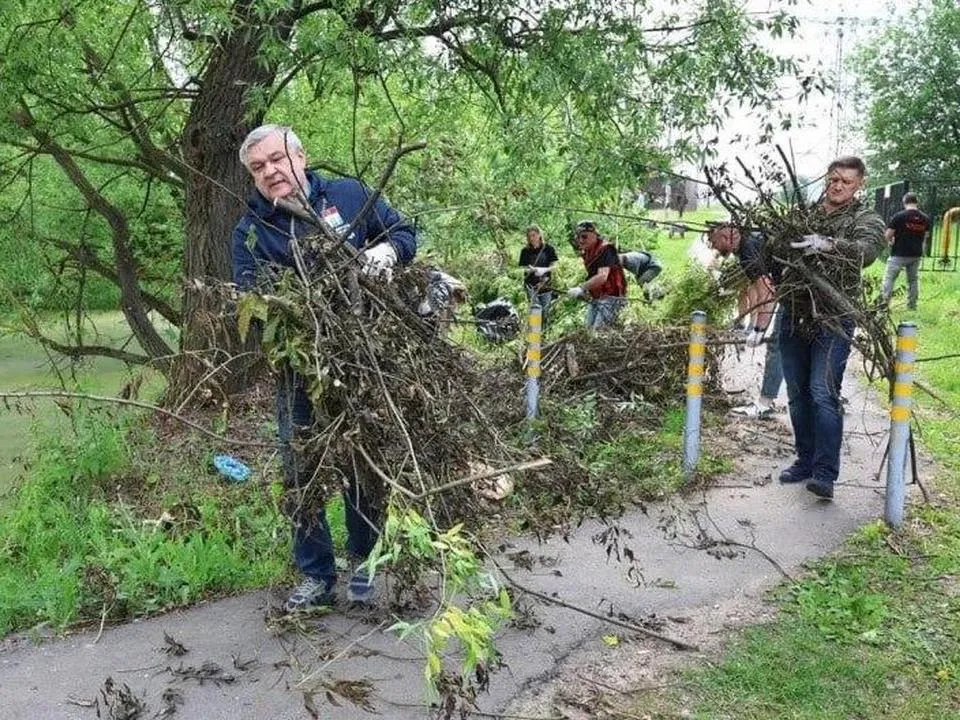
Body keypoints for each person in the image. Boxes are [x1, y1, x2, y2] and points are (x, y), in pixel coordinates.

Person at [232, 124, 417, 611]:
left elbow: (404, 232)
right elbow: (250, 298)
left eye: (277, 159)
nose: (270, 172)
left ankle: (364, 560)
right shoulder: (251, 231)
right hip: (299, 370)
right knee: (302, 470)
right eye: (258, 168)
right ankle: (315, 576)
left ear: (300, 156)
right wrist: (291, 313)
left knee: (361, 460)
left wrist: (386, 252)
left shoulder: (350, 195)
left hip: (364, 359)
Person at [778, 156, 885, 500]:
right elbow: (774, 248)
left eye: (847, 182)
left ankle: (825, 474)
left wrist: (827, 243)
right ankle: (805, 460)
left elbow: (867, 251)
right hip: (795, 311)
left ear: (859, 185)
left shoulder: (865, 218)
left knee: (822, 393)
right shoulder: (803, 214)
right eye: (834, 178)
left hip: (834, 316)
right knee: (796, 394)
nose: (838, 186)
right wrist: (780, 239)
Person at [707, 223, 782, 419]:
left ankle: (765, 405)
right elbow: (757, 289)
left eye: (714, 242)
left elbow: (768, 291)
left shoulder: (749, 248)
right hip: (792, 289)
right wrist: (755, 323)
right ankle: (823, 398)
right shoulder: (746, 248)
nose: (714, 247)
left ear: (726, 237)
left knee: (779, 345)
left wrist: (760, 329)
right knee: (789, 345)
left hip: (800, 291)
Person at [566, 220, 627, 329]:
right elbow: (592, 276)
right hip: (597, 297)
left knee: (598, 331)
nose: (580, 240)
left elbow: (602, 276)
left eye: (584, 237)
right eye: (578, 237)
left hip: (611, 297)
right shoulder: (588, 252)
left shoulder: (605, 249)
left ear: (594, 235)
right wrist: (585, 292)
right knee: (588, 329)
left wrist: (582, 288)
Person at [881, 192, 930, 310]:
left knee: (889, 279)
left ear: (904, 202)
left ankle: (884, 305)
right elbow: (925, 237)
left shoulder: (899, 216)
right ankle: (912, 306)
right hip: (915, 254)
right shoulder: (925, 218)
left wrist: (889, 243)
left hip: (899, 253)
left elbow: (887, 235)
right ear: (917, 202)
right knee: (913, 281)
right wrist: (921, 252)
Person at [518, 225, 558, 324]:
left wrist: (544, 270)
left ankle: (544, 335)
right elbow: (522, 267)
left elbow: (555, 266)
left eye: (534, 235)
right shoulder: (525, 251)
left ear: (539, 235)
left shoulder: (548, 249)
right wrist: (530, 270)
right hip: (531, 286)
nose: (532, 238)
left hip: (546, 285)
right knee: (535, 312)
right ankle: (534, 336)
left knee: (545, 312)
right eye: (529, 236)